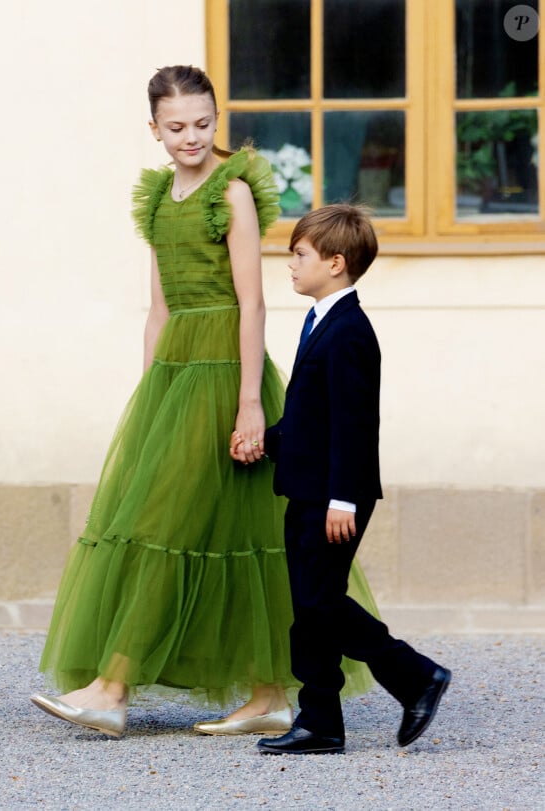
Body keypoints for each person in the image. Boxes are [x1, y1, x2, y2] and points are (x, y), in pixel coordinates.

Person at [30, 66, 379, 738]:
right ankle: (269, 693)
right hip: (176, 376)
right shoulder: (160, 199)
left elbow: (252, 301)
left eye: (203, 123)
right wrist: (150, 395)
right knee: (228, 526)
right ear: (154, 130)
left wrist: (250, 403)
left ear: (218, 117)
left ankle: (111, 686)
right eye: (177, 127)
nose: (192, 138)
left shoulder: (235, 190)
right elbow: (158, 307)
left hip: (225, 370)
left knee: (167, 524)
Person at [231, 204, 451, 755]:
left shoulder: (350, 331)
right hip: (306, 486)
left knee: (320, 602)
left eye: (299, 255)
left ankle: (416, 675)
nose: (290, 264)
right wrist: (265, 440)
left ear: (335, 263)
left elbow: (355, 427)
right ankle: (320, 722)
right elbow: (313, 418)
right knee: (309, 608)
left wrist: (343, 500)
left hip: (335, 496)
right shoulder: (318, 320)